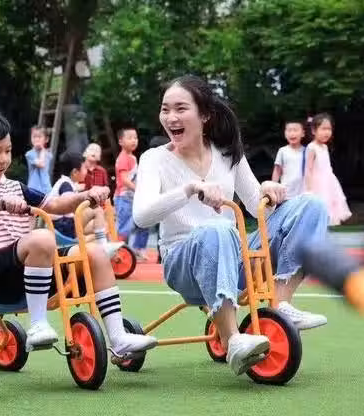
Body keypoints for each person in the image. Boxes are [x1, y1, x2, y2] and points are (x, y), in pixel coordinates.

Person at [133, 75, 329, 377]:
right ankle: (232, 338)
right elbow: (142, 216)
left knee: (312, 205)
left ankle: (280, 303)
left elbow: (256, 205)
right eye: (165, 109)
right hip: (183, 265)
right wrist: (190, 189)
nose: (171, 117)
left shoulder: (226, 153)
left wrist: (268, 189)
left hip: (234, 257)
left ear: (205, 115)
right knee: (217, 228)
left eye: (181, 109)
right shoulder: (153, 159)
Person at [0, 106, 157, 356]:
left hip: (23, 272)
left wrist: (85, 195)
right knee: (41, 238)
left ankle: (118, 337)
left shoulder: (15, 187)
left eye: (8, 151)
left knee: (94, 253)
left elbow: (55, 205)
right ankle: (38, 325)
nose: (3, 159)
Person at [48, 151, 123, 256]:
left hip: (65, 225)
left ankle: (103, 248)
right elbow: (68, 202)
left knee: (101, 226)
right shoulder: (65, 185)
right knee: (97, 210)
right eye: (84, 168)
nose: (86, 171)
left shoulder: (66, 183)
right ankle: (103, 246)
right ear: (75, 172)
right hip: (64, 225)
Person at [304, 113, 352, 225]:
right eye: (323, 129)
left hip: (329, 182)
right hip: (317, 184)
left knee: (330, 209)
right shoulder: (312, 147)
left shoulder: (325, 147)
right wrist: (309, 190)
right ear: (314, 131)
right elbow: (308, 170)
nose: (327, 132)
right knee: (319, 209)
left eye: (329, 129)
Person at [114, 128, 149, 260]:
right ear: (121, 141)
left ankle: (137, 249)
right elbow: (124, 180)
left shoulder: (132, 157)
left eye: (135, 137)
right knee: (124, 227)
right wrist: (138, 190)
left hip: (133, 196)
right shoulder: (123, 158)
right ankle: (119, 252)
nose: (134, 140)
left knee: (142, 222)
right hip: (124, 197)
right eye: (130, 138)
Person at [272, 120, 307, 199]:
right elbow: (277, 171)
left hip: (303, 193)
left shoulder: (307, 151)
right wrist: (274, 187)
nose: (292, 133)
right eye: (289, 130)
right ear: (285, 133)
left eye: (295, 130)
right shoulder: (282, 151)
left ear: (303, 133)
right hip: (286, 193)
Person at [25, 126, 52, 194]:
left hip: (46, 188)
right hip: (33, 188)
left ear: (46, 139)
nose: (36, 139)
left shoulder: (48, 154)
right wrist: (43, 150)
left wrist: (43, 150)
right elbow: (41, 164)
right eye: (34, 137)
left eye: (39, 137)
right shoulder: (29, 154)